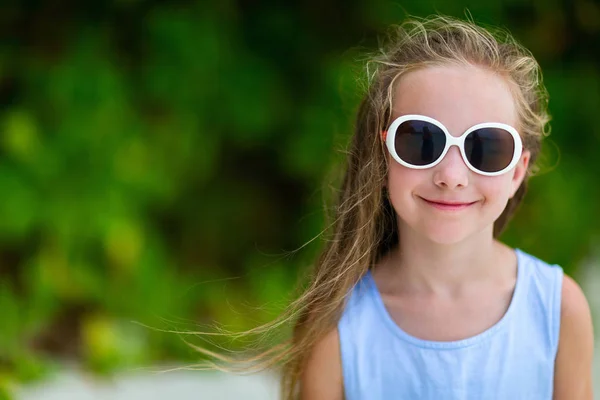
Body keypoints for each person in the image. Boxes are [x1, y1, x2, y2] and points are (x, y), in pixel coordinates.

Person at [196, 15, 594, 400]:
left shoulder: (558, 311)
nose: (451, 175)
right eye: (421, 140)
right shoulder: (338, 325)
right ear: (381, 155)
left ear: (517, 171)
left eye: (486, 147)